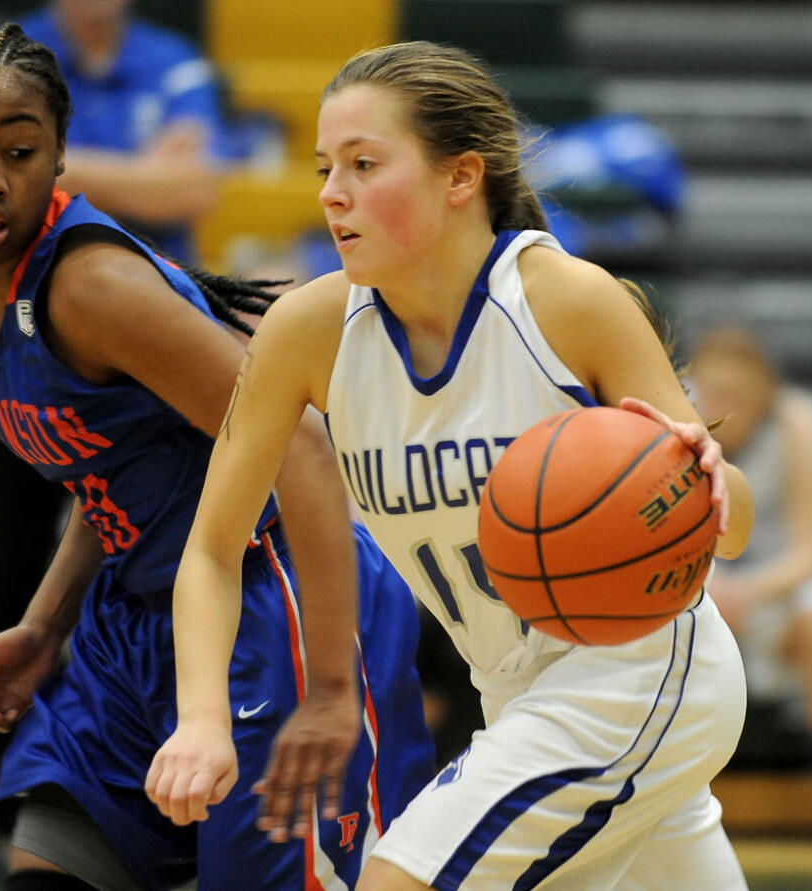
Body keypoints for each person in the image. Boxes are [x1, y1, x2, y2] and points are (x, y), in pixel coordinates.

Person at [146, 41, 756, 889]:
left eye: (364, 164)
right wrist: (203, 719)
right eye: (326, 167)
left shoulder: (565, 302)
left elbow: (730, 532)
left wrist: (711, 484)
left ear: (460, 177)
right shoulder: (308, 331)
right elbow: (212, 550)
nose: (331, 192)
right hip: (517, 695)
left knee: (400, 877)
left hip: (640, 673)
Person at [0, 19, 434, 891]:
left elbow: (298, 443)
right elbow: (113, 468)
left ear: (62, 156)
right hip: (136, 615)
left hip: (274, 597)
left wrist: (334, 685)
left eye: (21, 150)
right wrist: (46, 625)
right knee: (49, 865)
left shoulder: (88, 286)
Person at [687, 325, 812, 843]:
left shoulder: (797, 422)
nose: (726, 408)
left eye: (738, 396)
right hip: (690, 592)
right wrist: (707, 589)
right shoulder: (676, 416)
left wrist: (746, 591)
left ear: (765, 394)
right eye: (716, 395)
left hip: (767, 595)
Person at [20, 0, 221, 264]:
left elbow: (194, 191)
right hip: (40, 273)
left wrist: (66, 171)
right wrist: (147, 176)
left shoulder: (176, 58)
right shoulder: (8, 59)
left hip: (162, 277)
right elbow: (14, 181)